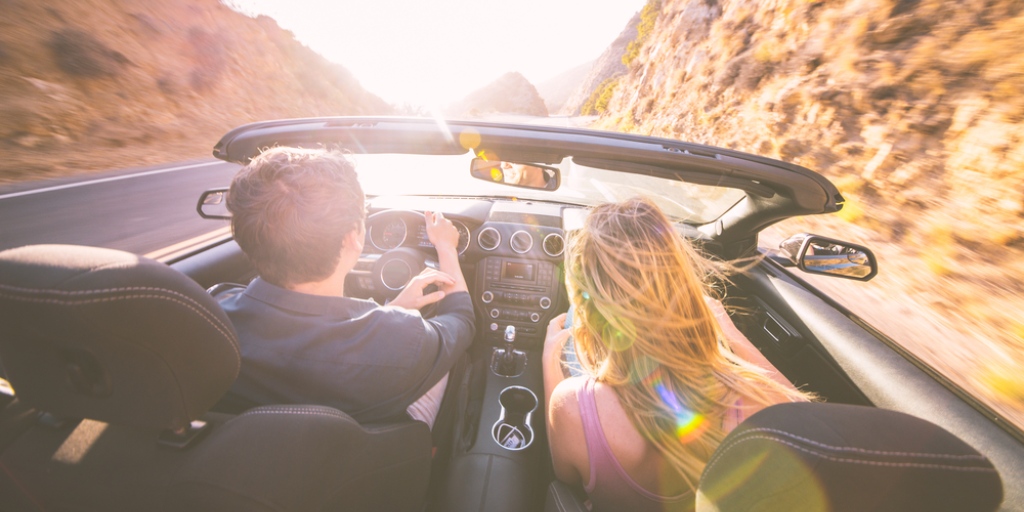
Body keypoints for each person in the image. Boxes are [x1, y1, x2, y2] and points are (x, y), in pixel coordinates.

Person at [542, 197, 811, 511]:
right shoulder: (744, 401)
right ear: (685, 288)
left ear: (590, 310)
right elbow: (810, 425)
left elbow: (564, 475)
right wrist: (729, 332)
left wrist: (549, 359)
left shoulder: (573, 405)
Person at [219, 147, 474, 428]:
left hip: (253, 452)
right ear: (354, 237)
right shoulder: (403, 338)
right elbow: (461, 322)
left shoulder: (213, 315)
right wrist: (446, 247)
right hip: (374, 458)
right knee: (448, 364)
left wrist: (392, 311)